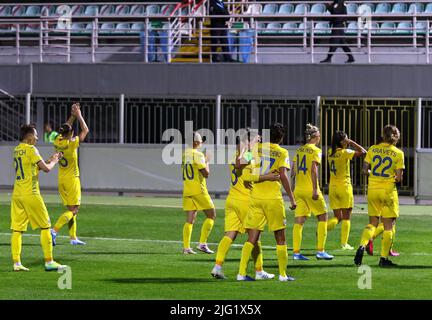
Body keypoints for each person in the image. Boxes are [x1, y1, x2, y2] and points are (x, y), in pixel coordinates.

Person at [211, 129, 279, 280]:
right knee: (255, 238)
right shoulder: (247, 156)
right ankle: (259, 271)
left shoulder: (234, 155)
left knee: (230, 234)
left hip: (232, 199)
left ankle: (217, 266)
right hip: (245, 200)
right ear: (247, 142)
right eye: (255, 140)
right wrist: (266, 176)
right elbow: (241, 166)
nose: (257, 143)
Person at [237, 123, 297, 282]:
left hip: (256, 198)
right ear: (281, 137)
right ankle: (283, 275)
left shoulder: (256, 149)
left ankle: (241, 273)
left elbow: (242, 163)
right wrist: (291, 198)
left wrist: (249, 177)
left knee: (252, 238)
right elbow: (283, 176)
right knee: (280, 238)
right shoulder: (282, 152)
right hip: (273, 200)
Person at [10, 123, 66, 271]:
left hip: (17, 194)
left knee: (17, 229)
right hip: (31, 193)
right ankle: (49, 261)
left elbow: (33, 167)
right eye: (35, 135)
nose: (36, 137)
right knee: (46, 226)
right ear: (28, 137)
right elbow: (46, 169)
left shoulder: (17, 150)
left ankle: (16, 263)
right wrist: (54, 161)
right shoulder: (31, 149)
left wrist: (50, 159)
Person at [354, 125, 404, 267]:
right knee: (389, 226)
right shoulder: (398, 153)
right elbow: (399, 178)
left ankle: (362, 245)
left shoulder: (372, 149)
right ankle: (383, 258)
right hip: (388, 191)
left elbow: (364, 170)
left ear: (383, 135)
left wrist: (374, 175)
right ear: (396, 137)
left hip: (373, 190)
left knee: (372, 223)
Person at [291, 123, 333, 261]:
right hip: (310, 190)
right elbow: (314, 170)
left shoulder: (300, 150)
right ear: (315, 137)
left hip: (299, 190)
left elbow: (293, 170)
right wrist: (315, 189)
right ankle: (320, 251)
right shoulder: (316, 150)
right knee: (323, 217)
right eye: (319, 135)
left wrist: (292, 190)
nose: (320, 137)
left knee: (299, 221)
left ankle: (296, 253)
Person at [51, 103, 89, 246]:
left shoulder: (57, 140)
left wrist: (72, 116)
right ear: (70, 134)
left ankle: (73, 238)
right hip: (72, 179)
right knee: (74, 210)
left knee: (70, 209)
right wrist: (78, 115)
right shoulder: (71, 143)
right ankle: (53, 231)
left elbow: (66, 127)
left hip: (61, 179)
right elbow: (85, 129)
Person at [327, 131, 366, 250]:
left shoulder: (330, 152)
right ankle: (344, 244)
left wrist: (347, 141)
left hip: (332, 187)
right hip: (344, 187)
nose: (348, 141)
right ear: (342, 142)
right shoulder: (345, 152)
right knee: (347, 217)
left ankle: (323, 228)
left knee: (337, 217)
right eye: (346, 140)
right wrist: (352, 142)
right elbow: (364, 152)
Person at [182, 132, 216, 254]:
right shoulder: (197, 154)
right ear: (196, 142)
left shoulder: (184, 153)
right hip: (198, 189)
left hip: (188, 189)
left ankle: (186, 247)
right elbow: (206, 174)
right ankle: (202, 243)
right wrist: (207, 160)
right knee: (211, 215)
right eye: (201, 141)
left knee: (190, 219)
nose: (202, 143)